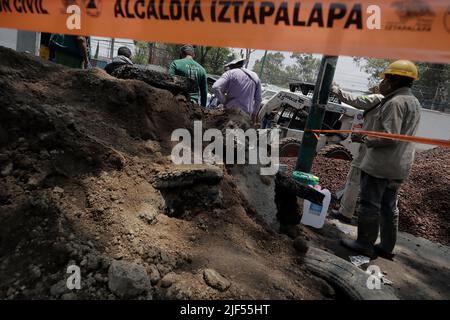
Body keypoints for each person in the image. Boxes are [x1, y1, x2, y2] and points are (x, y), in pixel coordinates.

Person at [341, 60, 422, 260]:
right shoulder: (413, 101)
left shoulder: (394, 103)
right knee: (389, 206)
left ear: (394, 80)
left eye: (386, 78)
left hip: (381, 165)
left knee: (370, 204)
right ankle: (386, 246)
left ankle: (364, 244)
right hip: (399, 165)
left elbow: (388, 137)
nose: (383, 83)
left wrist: (365, 138)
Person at [329, 85, 384, 224]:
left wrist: (337, 90)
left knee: (354, 178)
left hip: (368, 147)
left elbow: (357, 100)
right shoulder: (396, 103)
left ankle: (345, 213)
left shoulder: (378, 98)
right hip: (380, 151)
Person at [212, 57, 262, 123]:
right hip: (246, 117)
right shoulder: (255, 76)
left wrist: (224, 101)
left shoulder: (230, 73)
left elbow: (215, 87)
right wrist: (254, 114)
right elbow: (258, 99)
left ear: (232, 65)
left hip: (231, 114)